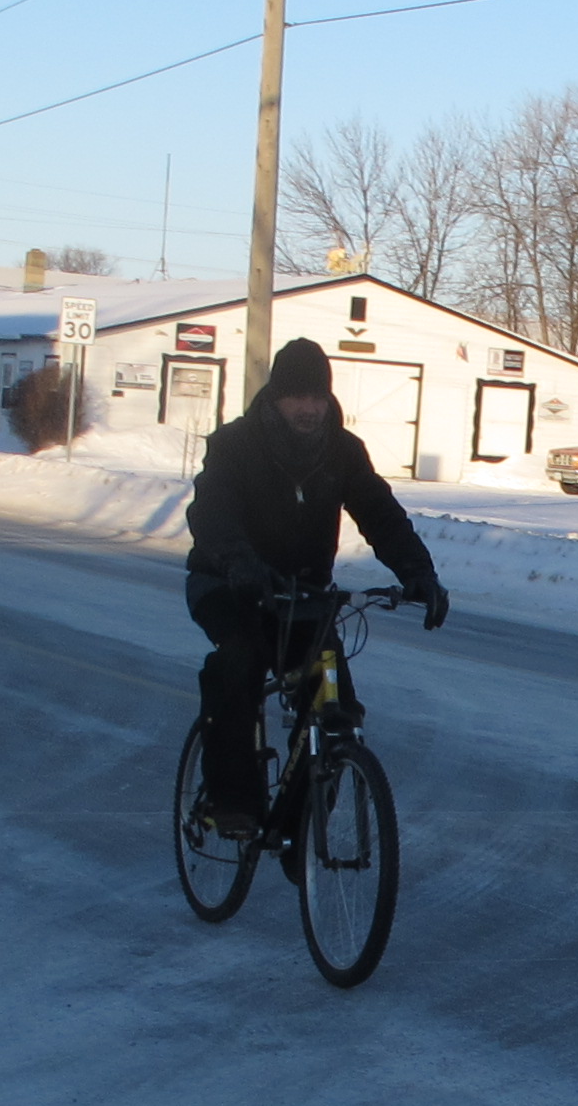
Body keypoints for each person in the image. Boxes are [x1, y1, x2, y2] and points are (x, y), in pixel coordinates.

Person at [183, 337, 449, 837]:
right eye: (297, 397)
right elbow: (210, 510)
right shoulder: (236, 444)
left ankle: (298, 830)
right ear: (275, 397)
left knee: (337, 709)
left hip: (304, 595)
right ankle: (232, 801)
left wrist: (418, 572)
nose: (308, 408)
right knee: (237, 665)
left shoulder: (342, 452)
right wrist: (239, 560)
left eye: (317, 397)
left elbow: (379, 513)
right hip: (229, 584)